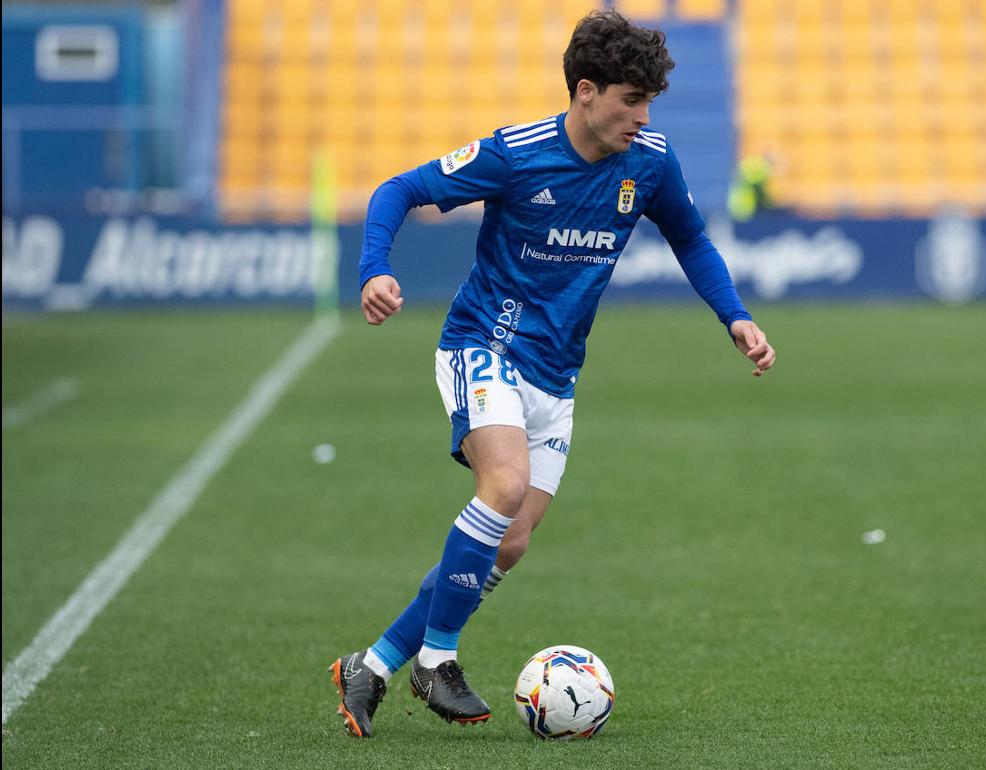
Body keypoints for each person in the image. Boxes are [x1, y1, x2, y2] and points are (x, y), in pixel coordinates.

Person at [329, 9, 776, 738]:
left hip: (555, 375)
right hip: (483, 345)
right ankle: (437, 659)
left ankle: (371, 667)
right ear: (587, 92)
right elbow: (397, 191)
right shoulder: (516, 154)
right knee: (500, 488)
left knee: (509, 540)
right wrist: (374, 268)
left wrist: (734, 316)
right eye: (632, 100)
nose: (642, 116)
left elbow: (692, 238)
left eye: (649, 102)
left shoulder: (651, 162)